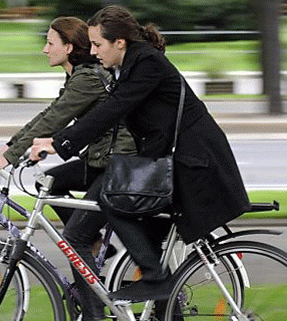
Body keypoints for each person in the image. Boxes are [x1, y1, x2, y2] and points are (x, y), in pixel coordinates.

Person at [30, 4, 251, 307]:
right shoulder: (130, 64)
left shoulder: (148, 63)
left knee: (113, 199)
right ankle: (162, 298)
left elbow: (113, 110)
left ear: (119, 41)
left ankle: (155, 280)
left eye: (97, 44)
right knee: (141, 226)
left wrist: (61, 142)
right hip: (170, 158)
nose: (93, 52)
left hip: (194, 161)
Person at [0, 16, 136, 321]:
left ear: (68, 47)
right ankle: (94, 242)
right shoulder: (79, 75)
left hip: (117, 165)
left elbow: (56, 119)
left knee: (73, 239)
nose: (44, 49)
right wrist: (9, 146)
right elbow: (49, 114)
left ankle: (93, 314)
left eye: (50, 43)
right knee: (50, 179)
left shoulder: (88, 78)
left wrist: (12, 155)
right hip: (100, 160)